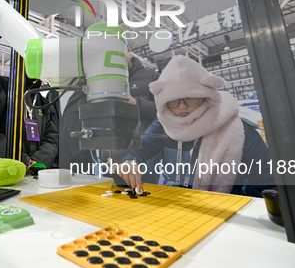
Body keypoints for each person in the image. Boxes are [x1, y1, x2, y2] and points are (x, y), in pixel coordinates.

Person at [117, 55, 274, 197]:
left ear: (206, 97)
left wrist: (240, 202)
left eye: (190, 99)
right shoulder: (164, 125)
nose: (182, 107)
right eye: (173, 101)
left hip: (225, 212)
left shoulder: (236, 129)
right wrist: (129, 161)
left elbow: (267, 180)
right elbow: (142, 148)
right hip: (177, 207)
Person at [59, 45, 159, 170]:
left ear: (128, 50)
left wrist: (134, 102)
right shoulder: (97, 81)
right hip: (108, 159)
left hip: (141, 159)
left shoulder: (151, 77)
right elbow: (73, 122)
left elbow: (164, 112)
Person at [0, 75, 58, 169]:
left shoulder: (41, 101)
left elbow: (51, 137)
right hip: (1, 171)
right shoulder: (0, 86)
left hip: (34, 172)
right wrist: (21, 160)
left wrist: (38, 161)